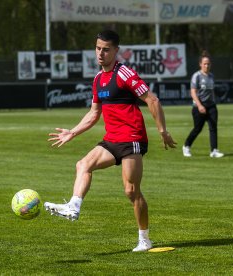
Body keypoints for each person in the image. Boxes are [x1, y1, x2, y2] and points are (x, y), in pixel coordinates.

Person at [44, 30, 177, 252]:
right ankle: (74, 207)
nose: (101, 53)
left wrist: (162, 131)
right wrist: (72, 132)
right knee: (83, 164)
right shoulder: (98, 79)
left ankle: (144, 239)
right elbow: (94, 113)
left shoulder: (124, 74)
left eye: (106, 49)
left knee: (131, 191)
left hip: (132, 138)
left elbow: (152, 100)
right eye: (98, 48)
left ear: (116, 51)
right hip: (112, 139)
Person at [182, 50, 224, 158]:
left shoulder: (211, 76)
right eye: (205, 63)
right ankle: (186, 146)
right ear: (200, 64)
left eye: (208, 63)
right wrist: (200, 105)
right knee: (197, 128)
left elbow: (211, 91)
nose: (207, 65)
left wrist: (213, 102)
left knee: (213, 127)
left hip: (211, 106)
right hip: (199, 106)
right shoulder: (196, 76)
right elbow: (193, 92)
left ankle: (214, 150)